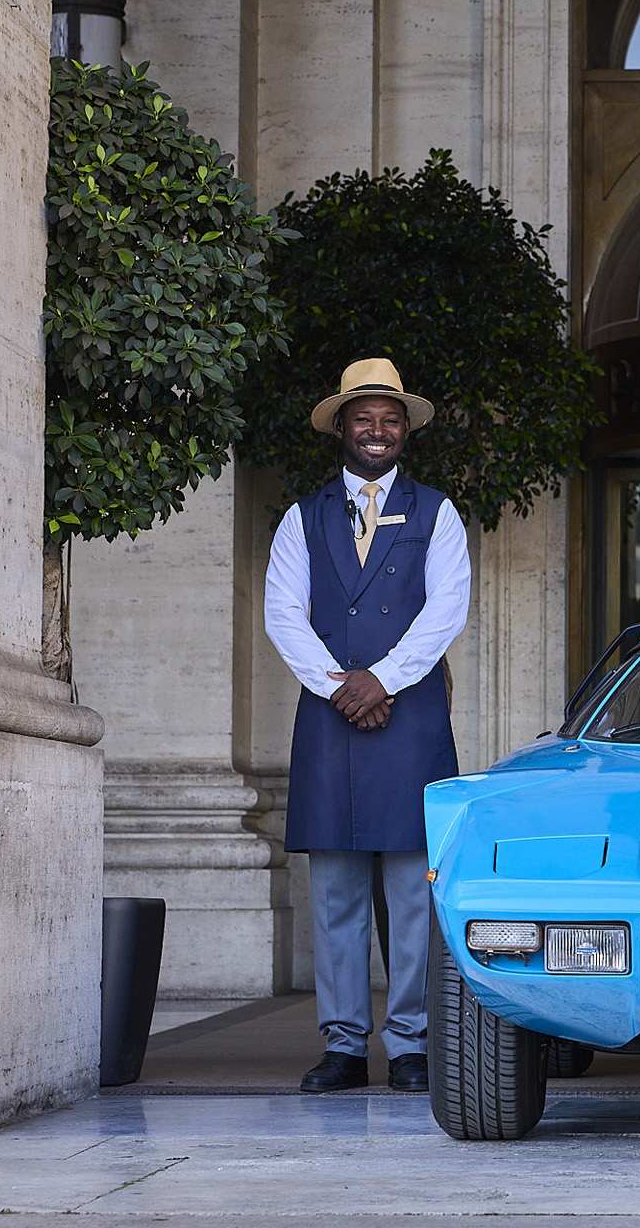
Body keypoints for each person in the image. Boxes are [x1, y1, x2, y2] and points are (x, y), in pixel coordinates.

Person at [264, 358, 470, 1093]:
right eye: (363, 417)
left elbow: (446, 612)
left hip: (408, 716)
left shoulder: (438, 513)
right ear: (342, 428)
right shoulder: (302, 517)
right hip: (330, 720)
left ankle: (410, 1044)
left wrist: (380, 680)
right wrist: (342, 687)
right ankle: (345, 1046)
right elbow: (283, 615)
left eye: (390, 418)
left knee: (414, 894)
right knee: (338, 895)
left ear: (405, 429)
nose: (376, 430)